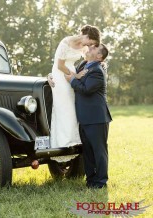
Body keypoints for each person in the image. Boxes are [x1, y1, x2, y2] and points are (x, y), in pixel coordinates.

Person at [60, 43, 112, 188]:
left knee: (99, 151)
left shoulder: (97, 70)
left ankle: (101, 182)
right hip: (83, 117)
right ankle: (90, 181)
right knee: (87, 152)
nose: (90, 47)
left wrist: (72, 80)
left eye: (95, 48)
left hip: (97, 118)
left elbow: (86, 89)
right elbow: (67, 72)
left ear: (99, 56)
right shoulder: (83, 64)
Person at [49, 25, 101, 162]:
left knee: (73, 107)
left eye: (92, 45)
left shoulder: (84, 47)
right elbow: (59, 65)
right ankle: (63, 142)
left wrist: (102, 63)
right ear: (86, 36)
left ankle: (74, 140)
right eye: (90, 43)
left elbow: (92, 57)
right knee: (64, 107)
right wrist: (74, 76)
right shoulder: (66, 42)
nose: (90, 46)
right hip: (61, 75)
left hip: (71, 73)